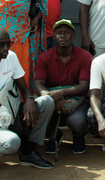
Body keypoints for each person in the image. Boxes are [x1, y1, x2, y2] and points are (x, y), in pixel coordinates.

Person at [0, 27, 56, 171]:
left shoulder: (11, 57)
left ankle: (28, 151)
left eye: (8, 44)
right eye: (1, 44)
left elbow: (24, 88)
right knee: (12, 143)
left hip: (9, 114)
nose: (6, 48)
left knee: (47, 102)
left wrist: (30, 100)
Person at [33, 20, 92, 155]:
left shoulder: (85, 57)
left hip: (76, 100)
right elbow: (38, 84)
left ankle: (78, 136)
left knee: (77, 121)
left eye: (67, 33)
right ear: (53, 36)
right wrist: (50, 98)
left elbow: (84, 87)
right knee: (36, 111)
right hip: (52, 99)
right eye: (59, 33)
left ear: (74, 35)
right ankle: (54, 136)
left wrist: (60, 93)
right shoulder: (44, 57)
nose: (63, 36)